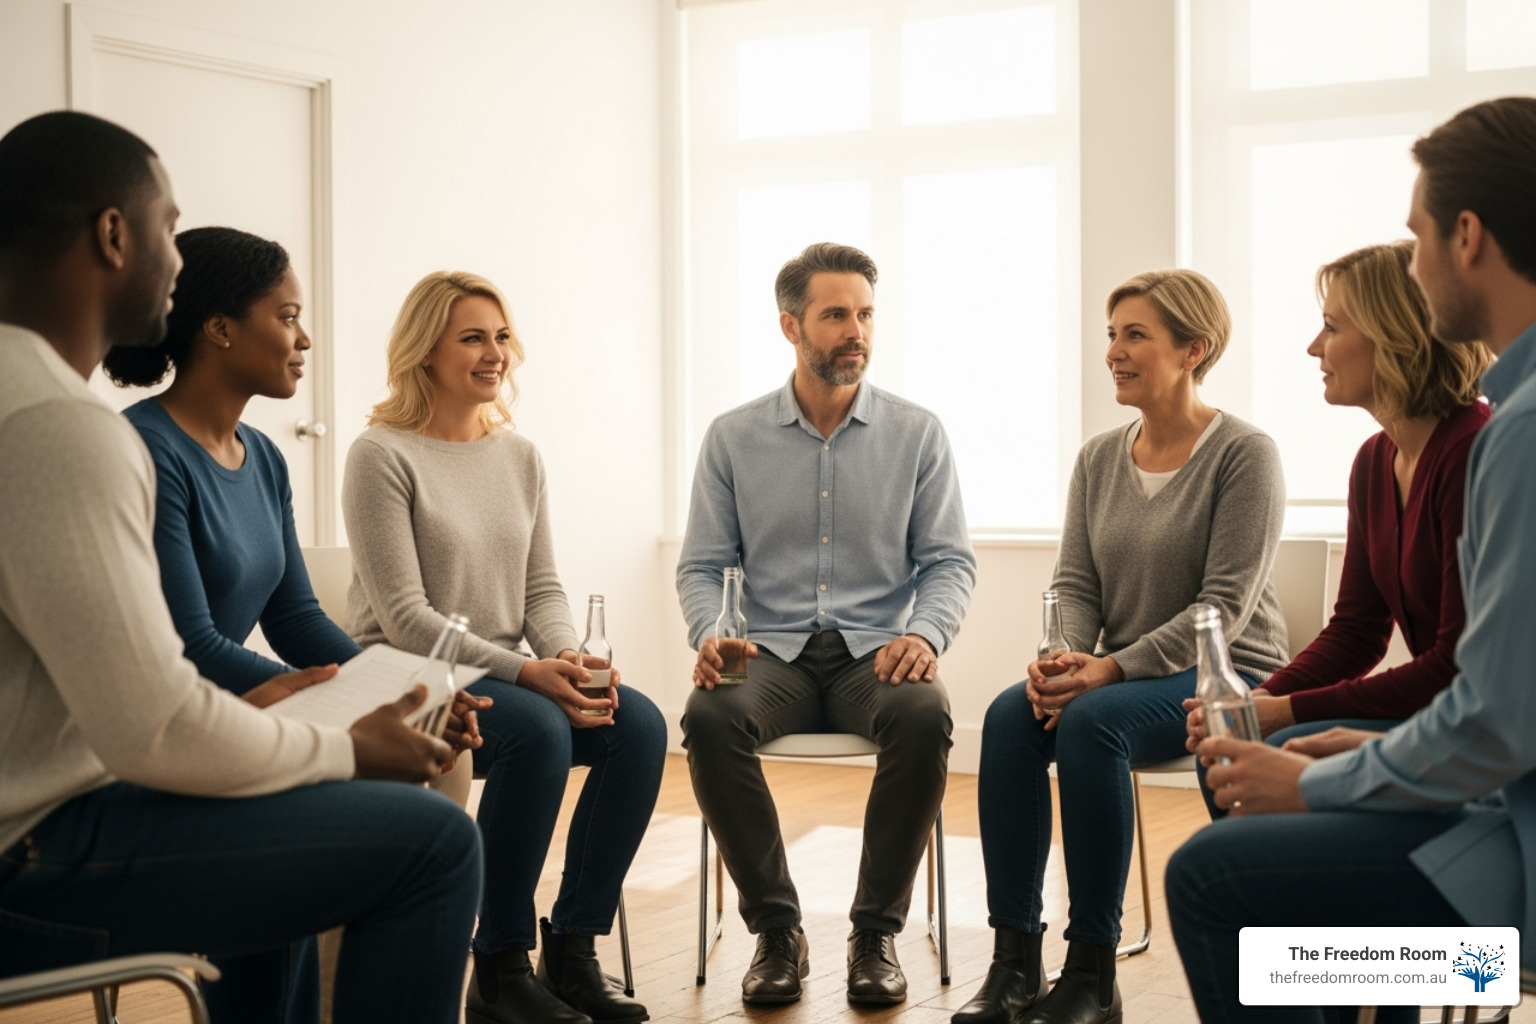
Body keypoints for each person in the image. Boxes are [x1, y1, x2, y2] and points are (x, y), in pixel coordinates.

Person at [0, 112, 480, 1023]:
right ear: (114, 235)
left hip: (53, 814)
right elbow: (158, 725)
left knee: (290, 805)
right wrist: (345, 744)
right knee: (433, 844)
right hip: (32, 851)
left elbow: (270, 634)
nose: (175, 262)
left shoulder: (36, 403)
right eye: (169, 228)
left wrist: (378, 697)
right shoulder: (62, 429)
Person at [1168, 95, 1536, 1023]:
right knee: (1261, 779)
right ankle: (1379, 989)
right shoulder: (1394, 456)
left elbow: (1487, 706)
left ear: (1466, 236)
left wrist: (1316, 769)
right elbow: (1368, 633)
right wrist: (1291, 721)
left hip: (1514, 835)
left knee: (1212, 877)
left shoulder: (1508, 436)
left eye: (1416, 239)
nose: (1415, 263)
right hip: (1504, 792)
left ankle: (1423, 978)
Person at [98, 225, 487, 1024]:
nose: (304, 339)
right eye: (287, 317)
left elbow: (296, 616)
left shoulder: (265, 457)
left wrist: (409, 691)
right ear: (219, 329)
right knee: (400, 809)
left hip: (253, 711)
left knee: (437, 743)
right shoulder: (147, 449)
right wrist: (343, 705)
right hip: (180, 732)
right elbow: (192, 644)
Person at [954, 269, 1288, 1024]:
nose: (1113, 352)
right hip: (1121, 672)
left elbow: (1223, 608)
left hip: (1227, 669)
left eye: (1135, 335)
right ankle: (1014, 963)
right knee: (1010, 716)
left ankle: (1092, 972)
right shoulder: (1098, 458)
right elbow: (1075, 585)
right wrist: (1062, 658)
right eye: (1112, 335)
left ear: (1193, 349)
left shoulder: (1245, 453)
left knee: (1092, 723)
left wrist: (1108, 669)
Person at [342, 271, 667, 1024]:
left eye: (501, 336)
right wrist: (528, 671)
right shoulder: (379, 454)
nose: (496, 354)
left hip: (503, 674)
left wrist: (569, 659)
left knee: (640, 726)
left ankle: (573, 951)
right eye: (473, 338)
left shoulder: (518, 456)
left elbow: (540, 589)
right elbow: (405, 618)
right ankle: (498, 966)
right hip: (410, 675)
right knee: (539, 729)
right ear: (425, 351)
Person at [677, 242, 977, 1007]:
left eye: (866, 314)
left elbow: (949, 561)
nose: (857, 331)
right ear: (791, 325)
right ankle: (777, 933)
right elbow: (701, 565)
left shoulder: (917, 433)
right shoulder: (732, 437)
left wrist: (925, 635)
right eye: (837, 315)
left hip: (875, 655)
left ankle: (874, 934)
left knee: (924, 711)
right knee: (709, 716)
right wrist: (712, 632)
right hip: (763, 652)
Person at [1184, 242, 1491, 820]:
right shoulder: (1374, 461)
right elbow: (1356, 632)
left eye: (1331, 326)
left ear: (1395, 335)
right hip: (1436, 709)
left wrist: (1285, 711)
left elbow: (1454, 665)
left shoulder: (1474, 451)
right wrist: (1259, 699)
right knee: (1237, 740)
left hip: (1475, 732)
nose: (1313, 346)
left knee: (1264, 750)